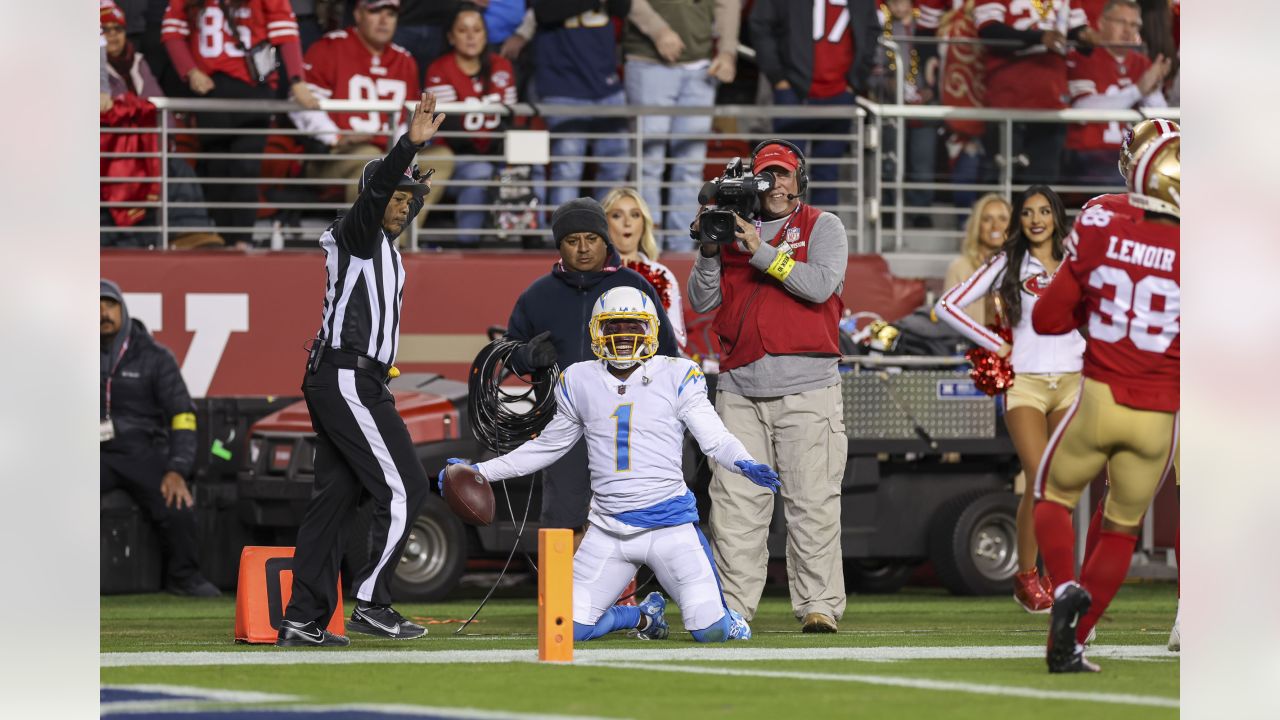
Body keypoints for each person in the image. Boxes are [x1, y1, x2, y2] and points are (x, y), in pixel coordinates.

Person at [452, 286, 774, 642]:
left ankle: (727, 619)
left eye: (633, 326)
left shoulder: (677, 374)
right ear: (597, 332)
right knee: (564, 629)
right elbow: (547, 447)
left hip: (670, 528)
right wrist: (481, 471)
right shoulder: (580, 379)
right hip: (608, 529)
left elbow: (714, 437)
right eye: (613, 326)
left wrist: (743, 461)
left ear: (651, 329)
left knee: (709, 633)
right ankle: (641, 617)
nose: (623, 336)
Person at [277, 91, 445, 648]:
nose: (400, 205)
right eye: (393, 196)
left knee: (336, 499)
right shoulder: (355, 235)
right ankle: (372, 601)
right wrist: (409, 144)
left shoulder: (389, 253)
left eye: (408, 198)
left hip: (356, 377)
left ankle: (302, 618)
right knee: (406, 488)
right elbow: (372, 196)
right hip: (348, 375)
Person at [1030, 133, 1180, 673]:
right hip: (1161, 416)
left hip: (1100, 396)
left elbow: (1047, 319)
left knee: (1052, 494)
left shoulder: (1101, 222)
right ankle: (1072, 644)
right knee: (1122, 529)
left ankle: (1065, 585)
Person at [687, 139, 850, 633]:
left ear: (800, 177)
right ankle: (732, 610)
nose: (775, 185)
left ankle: (819, 605)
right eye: (767, 176)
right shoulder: (733, 225)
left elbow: (820, 286)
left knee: (812, 503)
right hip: (739, 388)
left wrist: (760, 251)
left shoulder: (823, 226)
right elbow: (700, 301)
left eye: (783, 175)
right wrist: (711, 250)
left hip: (808, 386)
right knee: (735, 509)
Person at [935, 185, 1085, 614]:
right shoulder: (1007, 261)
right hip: (1026, 384)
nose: (1036, 219)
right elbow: (948, 305)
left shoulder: (1077, 259)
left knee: (1059, 484)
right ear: (1020, 220)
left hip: (1074, 380)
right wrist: (992, 341)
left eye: (1044, 211)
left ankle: (1055, 577)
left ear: (1056, 215)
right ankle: (1026, 575)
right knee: (1039, 479)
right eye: (1027, 213)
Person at [503, 197, 681, 539]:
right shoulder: (537, 295)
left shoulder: (636, 287)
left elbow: (668, 356)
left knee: (628, 519)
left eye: (591, 239)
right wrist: (528, 356)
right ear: (560, 246)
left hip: (629, 428)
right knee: (562, 521)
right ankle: (560, 594)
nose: (583, 248)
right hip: (564, 428)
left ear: (605, 240)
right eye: (572, 241)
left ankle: (622, 595)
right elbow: (509, 354)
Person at [161, 0, 320, 247]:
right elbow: (172, 31)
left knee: (246, 168)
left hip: (253, 88)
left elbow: (285, 31)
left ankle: (242, 241)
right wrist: (190, 71)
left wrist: (298, 80)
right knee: (217, 170)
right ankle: (224, 242)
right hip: (211, 90)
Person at [100, 280, 220, 599]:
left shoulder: (154, 356)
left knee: (177, 501)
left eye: (109, 304)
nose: (102, 313)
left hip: (141, 449)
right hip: (93, 452)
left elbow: (182, 415)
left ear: (122, 310)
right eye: (94, 307)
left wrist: (177, 469)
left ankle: (185, 577)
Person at [291, 0, 445, 209]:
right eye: (375, 11)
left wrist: (405, 147)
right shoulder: (329, 48)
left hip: (389, 152)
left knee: (441, 158)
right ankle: (362, 240)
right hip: (337, 155)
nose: (383, 20)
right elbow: (300, 103)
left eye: (390, 14)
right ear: (358, 14)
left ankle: (399, 237)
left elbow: (404, 120)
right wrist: (335, 137)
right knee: (372, 160)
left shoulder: (405, 60)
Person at [101, 1, 224, 250]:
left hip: (141, 149)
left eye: (118, 29)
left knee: (175, 165)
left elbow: (159, 110)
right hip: (110, 153)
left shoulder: (138, 63)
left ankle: (192, 231)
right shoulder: (92, 69)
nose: (113, 35)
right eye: (106, 29)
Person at [622, 0, 739, 246]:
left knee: (689, 166)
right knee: (648, 163)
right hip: (648, 61)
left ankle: (682, 246)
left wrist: (728, 52)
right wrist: (658, 30)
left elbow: (727, 3)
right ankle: (646, 249)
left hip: (701, 67)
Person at [749, 0, 880, 209]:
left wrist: (854, 82)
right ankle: (785, 239)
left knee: (828, 175)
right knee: (784, 177)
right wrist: (778, 78)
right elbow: (760, 24)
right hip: (793, 93)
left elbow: (871, 30)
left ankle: (824, 240)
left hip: (839, 95)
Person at [424, 2, 519, 243]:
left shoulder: (502, 66)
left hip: (495, 154)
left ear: (486, 35)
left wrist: (505, 158)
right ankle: (469, 243)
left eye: (477, 30)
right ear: (451, 37)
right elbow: (453, 130)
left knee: (530, 168)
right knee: (479, 172)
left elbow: (509, 121)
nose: (470, 37)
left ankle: (529, 239)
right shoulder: (439, 69)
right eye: (463, 30)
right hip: (457, 158)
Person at [974, 0, 1094, 185]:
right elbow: (990, 33)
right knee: (1001, 187)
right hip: (1008, 100)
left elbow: (1077, 31)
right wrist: (1038, 38)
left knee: (1042, 188)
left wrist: (1086, 36)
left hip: (1051, 99)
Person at [529, 0, 633, 206]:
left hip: (606, 84)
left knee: (616, 167)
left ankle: (606, 233)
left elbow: (623, 8)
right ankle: (565, 237)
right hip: (562, 85)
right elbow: (545, 10)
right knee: (567, 170)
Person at [1065, 0, 1170, 184]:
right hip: (1091, 154)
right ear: (1101, 23)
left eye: (1133, 25)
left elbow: (1161, 116)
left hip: (1133, 155)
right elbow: (1083, 108)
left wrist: (1151, 92)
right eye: (1121, 22)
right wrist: (1137, 90)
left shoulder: (1142, 62)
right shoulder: (1082, 56)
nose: (1127, 30)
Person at [602, 187, 688, 349]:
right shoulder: (595, 274)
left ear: (643, 223)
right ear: (604, 224)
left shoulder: (661, 275)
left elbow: (678, 339)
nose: (627, 223)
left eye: (635, 215)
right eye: (617, 215)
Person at [942, 193, 1012, 328]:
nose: (995, 226)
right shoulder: (959, 267)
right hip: (971, 344)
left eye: (1003, 219)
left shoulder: (1022, 267)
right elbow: (949, 321)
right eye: (987, 219)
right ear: (977, 225)